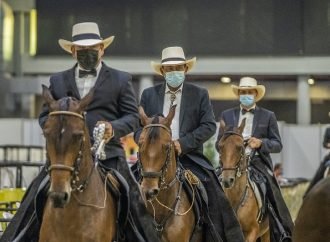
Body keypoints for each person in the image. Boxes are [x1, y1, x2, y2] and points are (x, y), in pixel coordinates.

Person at [1, 22, 159, 242]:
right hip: (64, 157)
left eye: (92, 49)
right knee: (34, 196)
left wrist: (113, 128)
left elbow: (132, 117)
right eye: (82, 51)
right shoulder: (57, 80)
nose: (87, 54)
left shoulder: (121, 79)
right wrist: (58, 128)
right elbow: (44, 117)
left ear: (102, 49)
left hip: (109, 156)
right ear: (73, 51)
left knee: (131, 198)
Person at [134, 46, 244, 242]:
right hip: (154, 159)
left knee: (214, 192)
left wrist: (182, 143)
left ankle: (217, 235)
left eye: (178, 68)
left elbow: (209, 125)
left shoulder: (199, 94)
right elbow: (137, 129)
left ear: (185, 69)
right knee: (128, 188)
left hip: (189, 156)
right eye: (169, 69)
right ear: (162, 71)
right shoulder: (148, 95)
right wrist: (145, 144)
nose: (174, 72)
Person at [216, 77, 293, 242]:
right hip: (231, 162)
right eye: (243, 92)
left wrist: (261, 142)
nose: (245, 95)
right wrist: (229, 147)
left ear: (255, 94)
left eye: (249, 92)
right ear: (239, 94)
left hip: (257, 161)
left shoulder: (268, 116)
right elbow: (218, 143)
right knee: (212, 185)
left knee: (271, 189)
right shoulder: (227, 115)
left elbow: (277, 144)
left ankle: (282, 228)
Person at [305, 122, 330, 195]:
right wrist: (328, 144)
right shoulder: (328, 130)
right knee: (321, 169)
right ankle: (308, 192)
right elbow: (324, 144)